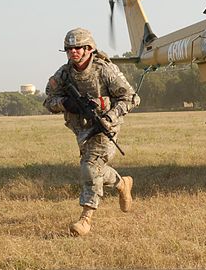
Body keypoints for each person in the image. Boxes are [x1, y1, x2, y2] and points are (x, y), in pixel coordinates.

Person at [44, 28, 140, 237]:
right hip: (82, 129)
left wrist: (109, 117)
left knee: (89, 167)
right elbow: (48, 100)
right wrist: (65, 103)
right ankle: (122, 183)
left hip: (106, 127)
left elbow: (131, 98)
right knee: (95, 168)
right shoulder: (63, 74)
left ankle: (85, 218)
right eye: (69, 49)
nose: (73, 52)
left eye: (77, 48)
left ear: (89, 49)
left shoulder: (105, 69)